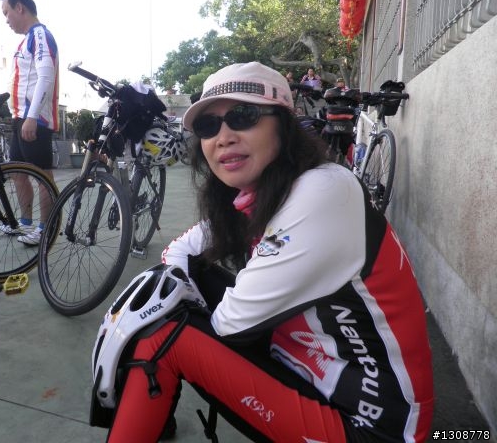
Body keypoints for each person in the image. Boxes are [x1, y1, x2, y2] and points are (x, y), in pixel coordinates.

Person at [95, 62, 434, 442]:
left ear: (284, 126)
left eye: (243, 116)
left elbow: (231, 324)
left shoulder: (323, 190)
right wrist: (177, 291)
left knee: (161, 336)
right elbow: (180, 252)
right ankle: (152, 405)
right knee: (167, 290)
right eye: (208, 126)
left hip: (373, 426)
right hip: (307, 371)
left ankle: (147, 404)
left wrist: (177, 303)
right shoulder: (255, 193)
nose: (223, 137)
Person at [0, 0, 59, 246]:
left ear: (20, 7)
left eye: (7, 13)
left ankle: (46, 229)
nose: (6, 20)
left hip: (34, 120)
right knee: (18, 173)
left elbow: (45, 76)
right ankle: (24, 223)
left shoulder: (40, 35)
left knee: (42, 176)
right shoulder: (26, 40)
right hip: (20, 118)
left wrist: (32, 116)